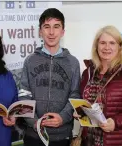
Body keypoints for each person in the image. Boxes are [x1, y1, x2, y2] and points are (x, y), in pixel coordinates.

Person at [74, 25, 122, 146]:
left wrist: (116, 122)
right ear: (96, 46)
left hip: (119, 142)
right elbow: (86, 103)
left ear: (120, 47)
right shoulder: (88, 73)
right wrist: (80, 112)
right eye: (103, 43)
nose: (107, 47)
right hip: (89, 141)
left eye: (112, 43)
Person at [18, 8, 81, 146]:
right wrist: (34, 122)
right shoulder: (30, 61)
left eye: (56, 27)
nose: (51, 32)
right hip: (33, 134)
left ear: (63, 31)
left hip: (62, 136)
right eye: (47, 27)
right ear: (40, 31)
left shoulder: (73, 63)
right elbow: (24, 94)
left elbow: (75, 95)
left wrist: (63, 117)